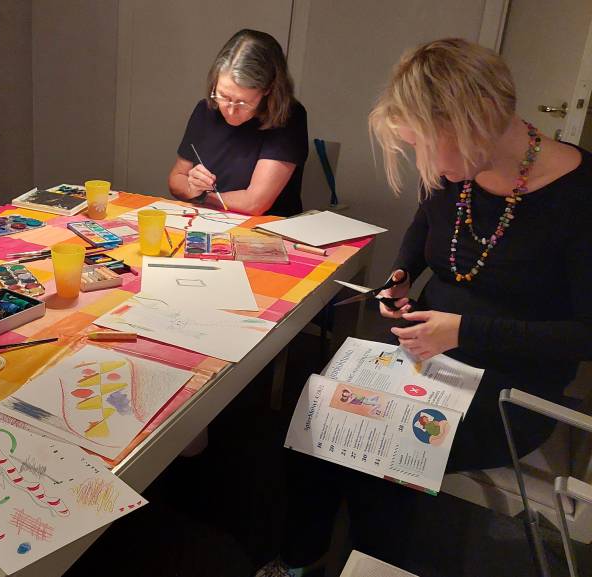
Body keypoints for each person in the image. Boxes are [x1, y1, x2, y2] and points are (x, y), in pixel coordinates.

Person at [256, 38, 591, 577]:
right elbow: (423, 226)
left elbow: (585, 335)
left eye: (423, 147)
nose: (421, 163)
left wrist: (466, 331)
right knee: (316, 415)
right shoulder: (457, 171)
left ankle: (374, 566)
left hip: (510, 384)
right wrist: (402, 273)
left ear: (473, 125)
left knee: (380, 456)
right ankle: (299, 561)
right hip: (426, 349)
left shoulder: (578, 198)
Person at [168, 29, 308, 216]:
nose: (231, 110)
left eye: (243, 102)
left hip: (264, 233)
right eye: (223, 96)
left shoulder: (287, 118)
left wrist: (201, 196)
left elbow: (254, 203)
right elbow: (176, 179)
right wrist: (192, 186)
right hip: (207, 224)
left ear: (267, 89)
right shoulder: (206, 110)